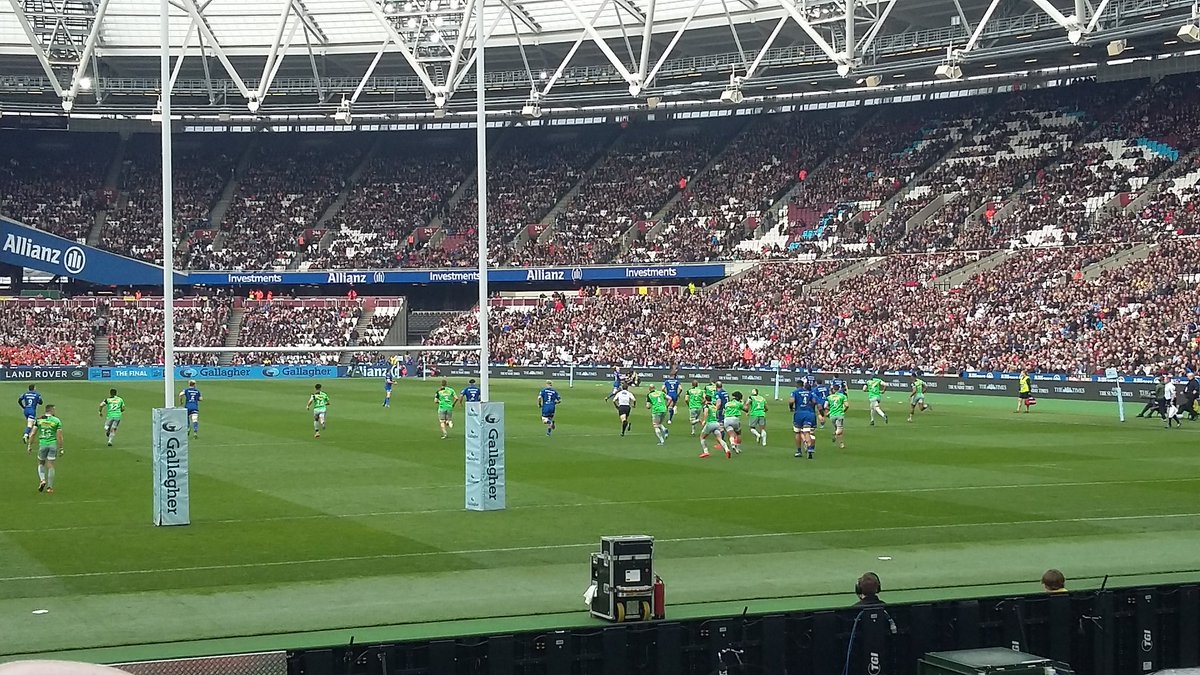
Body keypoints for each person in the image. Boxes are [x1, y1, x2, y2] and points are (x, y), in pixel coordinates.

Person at [28, 403, 63, 494]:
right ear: (51, 410)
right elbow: (59, 436)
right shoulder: (56, 420)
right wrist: (61, 448)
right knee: (51, 465)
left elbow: (33, 434)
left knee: (41, 463)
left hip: (42, 444)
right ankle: (50, 487)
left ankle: (42, 480)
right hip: (52, 445)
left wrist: (29, 445)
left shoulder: (39, 420)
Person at [790, 379, 818, 459]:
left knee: (797, 432)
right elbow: (814, 401)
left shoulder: (795, 392)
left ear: (797, 385)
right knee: (807, 432)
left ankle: (799, 451)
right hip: (809, 413)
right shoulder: (810, 392)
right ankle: (809, 448)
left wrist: (791, 408)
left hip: (799, 413)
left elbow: (791, 401)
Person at [698, 394, 731, 459]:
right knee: (719, 438)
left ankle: (706, 451)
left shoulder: (706, 406)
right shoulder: (714, 406)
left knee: (702, 437)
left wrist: (704, 420)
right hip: (716, 423)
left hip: (710, 424)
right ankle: (727, 449)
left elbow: (706, 413)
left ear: (706, 399)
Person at [827, 384, 849, 449]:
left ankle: (841, 444)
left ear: (833, 389)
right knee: (839, 429)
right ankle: (835, 434)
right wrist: (844, 410)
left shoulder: (829, 397)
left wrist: (830, 410)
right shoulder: (842, 396)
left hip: (832, 415)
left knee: (838, 428)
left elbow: (825, 406)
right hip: (839, 414)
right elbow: (847, 405)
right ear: (839, 389)